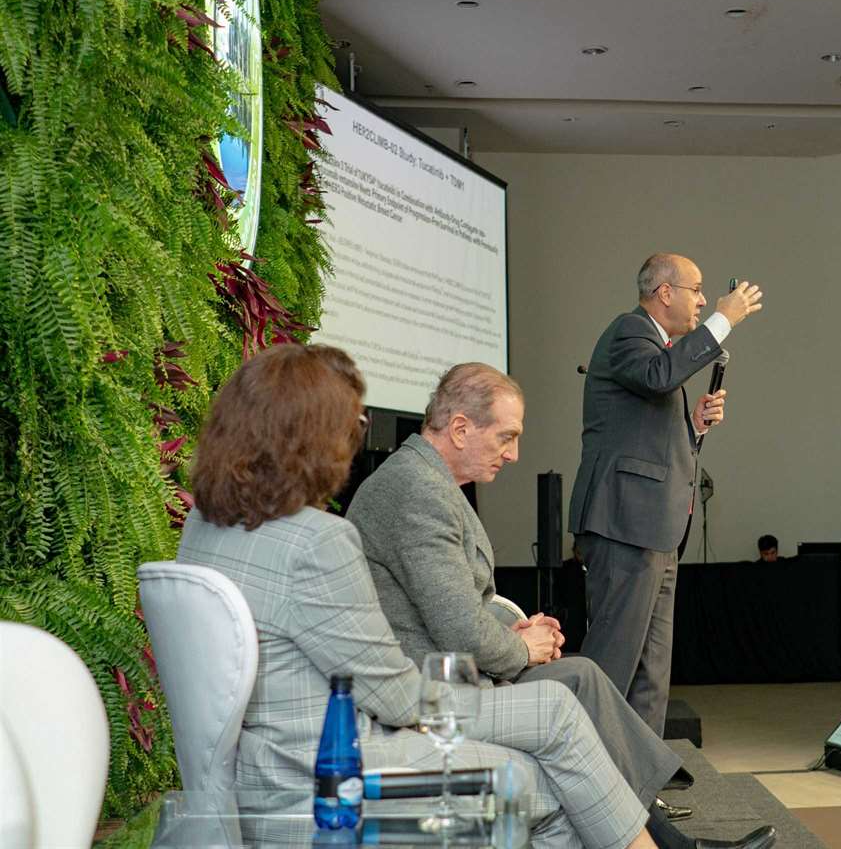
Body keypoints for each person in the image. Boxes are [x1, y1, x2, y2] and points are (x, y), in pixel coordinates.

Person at [177, 344, 773, 849]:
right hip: (333, 773)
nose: (352, 441)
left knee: (561, 723)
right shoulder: (319, 540)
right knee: (554, 748)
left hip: (265, 768)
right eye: (351, 425)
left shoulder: (204, 527)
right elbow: (395, 694)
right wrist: (506, 669)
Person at [348, 363, 730, 828]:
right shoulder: (417, 490)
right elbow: (458, 628)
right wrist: (523, 648)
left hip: (450, 670)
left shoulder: (426, 481)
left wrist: (515, 631)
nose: (513, 455)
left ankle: (644, 807)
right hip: (432, 694)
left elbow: (450, 605)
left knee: (583, 673)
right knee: (575, 685)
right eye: (506, 437)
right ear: (461, 429)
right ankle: (648, 822)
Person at [569, 254, 763, 737]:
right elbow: (658, 376)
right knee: (614, 663)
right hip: (624, 524)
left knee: (651, 673)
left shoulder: (657, 348)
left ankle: (639, 773)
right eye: (696, 290)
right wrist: (723, 320)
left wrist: (693, 426)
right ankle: (584, 768)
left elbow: (647, 428)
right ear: (665, 292)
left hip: (656, 528)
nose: (703, 300)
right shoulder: (629, 331)